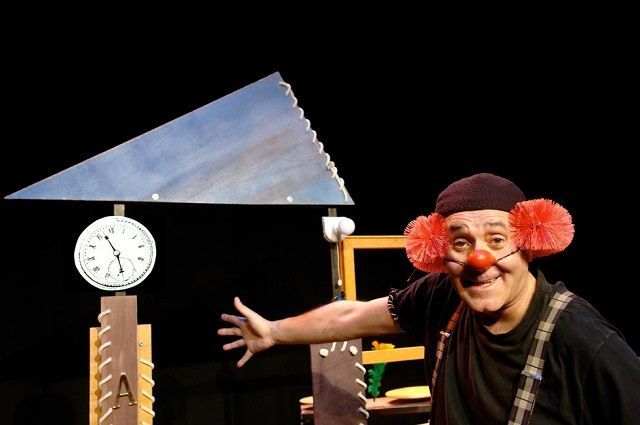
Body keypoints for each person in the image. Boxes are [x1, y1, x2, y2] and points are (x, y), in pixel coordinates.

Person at [218, 173, 640, 424]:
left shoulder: (582, 340)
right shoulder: (441, 296)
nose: (479, 260)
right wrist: (273, 331)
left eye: (496, 240)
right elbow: (352, 317)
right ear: (441, 252)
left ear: (527, 245)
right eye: (462, 242)